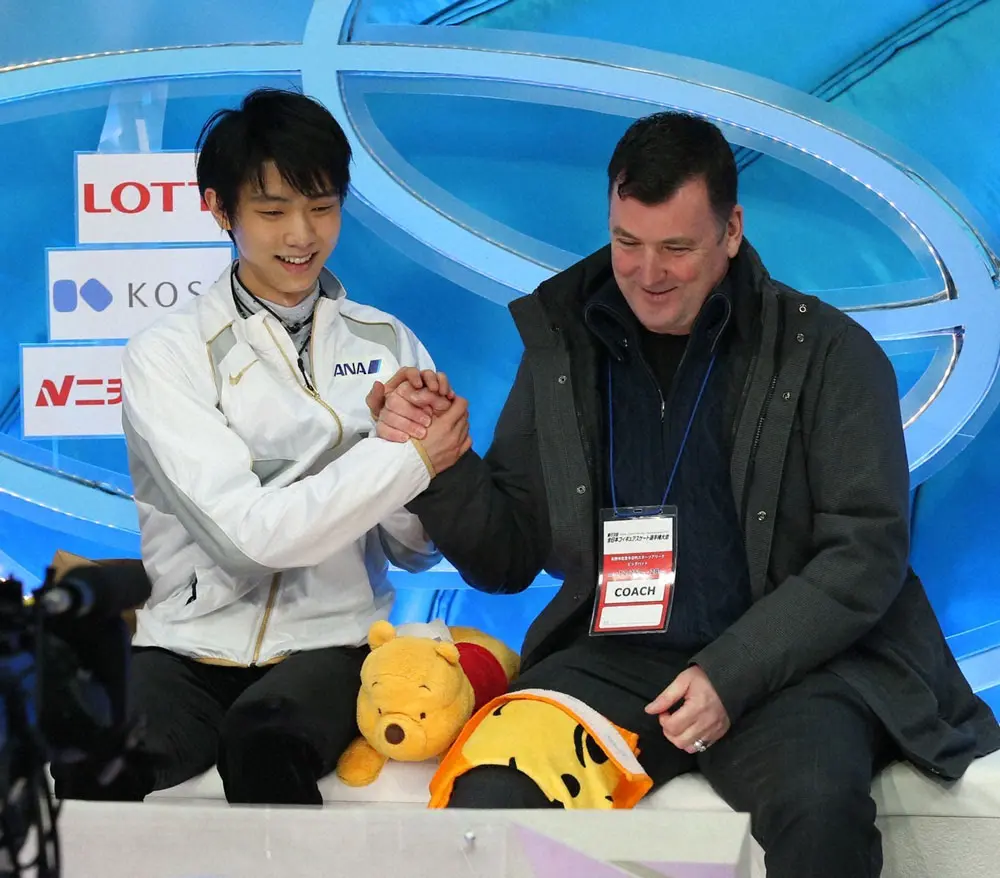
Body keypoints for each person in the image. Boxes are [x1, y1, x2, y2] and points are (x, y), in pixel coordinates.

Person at [369, 111, 1000, 876]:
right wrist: (443, 465)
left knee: (820, 812)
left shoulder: (830, 353)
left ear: (731, 231)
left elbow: (864, 554)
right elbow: (506, 557)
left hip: (793, 670)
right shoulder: (564, 347)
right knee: (491, 790)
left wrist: (731, 673)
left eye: (675, 248)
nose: (647, 273)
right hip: (614, 658)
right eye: (626, 243)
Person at [52, 87, 470, 805]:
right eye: (273, 212)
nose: (301, 235)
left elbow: (413, 552)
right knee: (95, 762)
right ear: (220, 210)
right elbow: (246, 542)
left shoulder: (387, 343)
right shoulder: (168, 352)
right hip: (184, 643)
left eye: (322, 207)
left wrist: (415, 466)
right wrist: (405, 458)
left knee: (264, 745)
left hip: (331, 642)